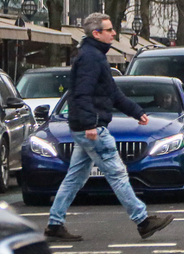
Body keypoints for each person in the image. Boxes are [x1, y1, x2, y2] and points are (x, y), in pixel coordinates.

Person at [45, 13, 174, 242]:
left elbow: (111, 93)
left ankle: (55, 223)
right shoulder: (91, 58)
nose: (114, 33)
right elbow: (81, 94)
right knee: (117, 174)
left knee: (75, 176)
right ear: (97, 33)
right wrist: (90, 124)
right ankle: (143, 221)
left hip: (86, 125)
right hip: (92, 127)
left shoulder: (93, 56)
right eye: (109, 30)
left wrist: (136, 112)